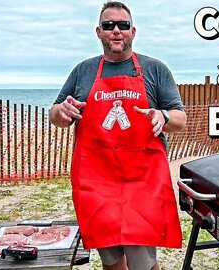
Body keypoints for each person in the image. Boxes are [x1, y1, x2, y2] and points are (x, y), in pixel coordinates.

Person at [49, 2, 187, 270]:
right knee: (111, 260)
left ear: (133, 31)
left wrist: (164, 117)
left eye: (122, 25)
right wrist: (61, 112)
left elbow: (179, 118)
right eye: (108, 25)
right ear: (98, 31)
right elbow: (55, 114)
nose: (116, 30)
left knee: (142, 263)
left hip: (141, 182)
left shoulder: (155, 69)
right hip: (97, 183)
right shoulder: (83, 71)